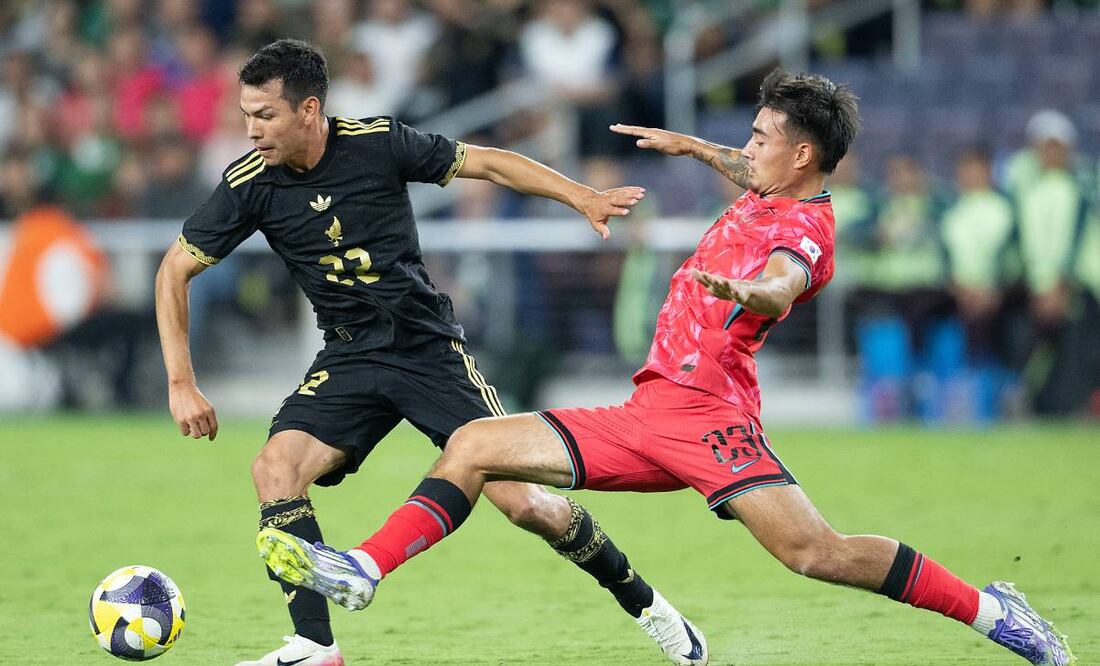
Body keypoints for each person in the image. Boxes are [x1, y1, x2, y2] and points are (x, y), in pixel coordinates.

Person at [258, 69, 1076, 666]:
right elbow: (748, 169)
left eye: (759, 139)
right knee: (471, 444)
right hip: (645, 413)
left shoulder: (808, 232)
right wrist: (693, 147)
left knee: (814, 554)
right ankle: (363, 568)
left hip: (713, 420)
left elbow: (785, 279)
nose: (746, 149)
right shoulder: (771, 183)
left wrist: (748, 291)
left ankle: (991, 611)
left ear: (801, 158)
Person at [155, 39, 706, 666]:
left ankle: (652, 609)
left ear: (310, 110)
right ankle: (314, 647)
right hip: (350, 357)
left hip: (427, 351)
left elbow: (491, 163)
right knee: (273, 471)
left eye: (265, 115)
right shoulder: (249, 183)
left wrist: (580, 195)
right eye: (246, 114)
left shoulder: (378, 141)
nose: (251, 130)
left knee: (525, 505)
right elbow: (174, 270)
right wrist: (181, 382)